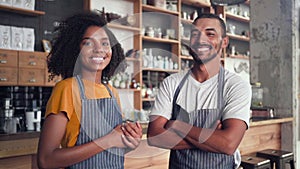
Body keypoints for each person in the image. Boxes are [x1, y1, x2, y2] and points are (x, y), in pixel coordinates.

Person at [37, 12, 143, 169]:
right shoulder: (67, 89)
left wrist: (128, 142)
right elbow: (46, 160)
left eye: (105, 43)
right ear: (75, 49)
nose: (99, 50)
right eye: (88, 43)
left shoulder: (111, 92)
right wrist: (109, 140)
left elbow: (110, 149)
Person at [147, 13, 251, 169]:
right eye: (195, 34)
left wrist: (178, 126)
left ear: (224, 42)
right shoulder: (172, 83)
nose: (201, 40)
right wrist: (211, 137)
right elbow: (155, 136)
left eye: (210, 34)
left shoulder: (235, 85)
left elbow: (228, 144)